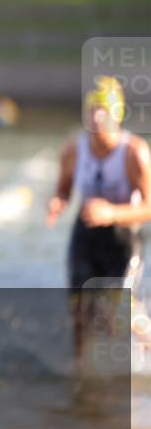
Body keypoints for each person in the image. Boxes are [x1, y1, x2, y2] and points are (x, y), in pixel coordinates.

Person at [47, 76, 151, 367]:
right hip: (86, 237)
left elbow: (149, 206)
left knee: (116, 311)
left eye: (102, 111)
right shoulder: (73, 150)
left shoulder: (134, 153)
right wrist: (58, 202)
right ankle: (81, 372)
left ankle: (147, 341)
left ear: (115, 116)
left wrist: (111, 212)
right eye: (91, 111)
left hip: (123, 239)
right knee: (80, 311)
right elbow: (63, 189)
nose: (96, 118)